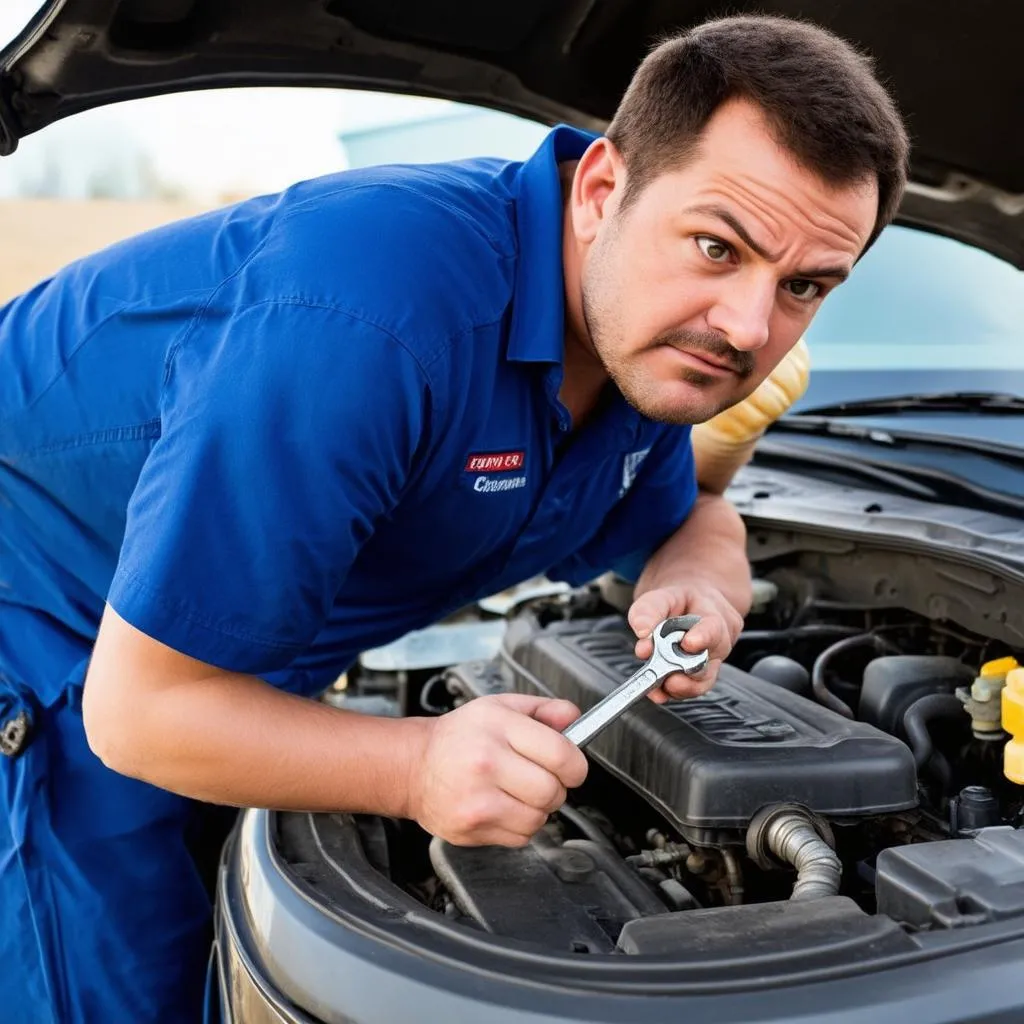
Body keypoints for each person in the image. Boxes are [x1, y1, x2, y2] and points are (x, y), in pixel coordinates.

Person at [0, 12, 908, 1021]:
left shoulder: (640, 348)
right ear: (602, 191)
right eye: (714, 246)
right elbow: (138, 714)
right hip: (48, 642)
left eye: (804, 286)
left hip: (217, 647)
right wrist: (417, 765)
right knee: (128, 989)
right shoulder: (361, 322)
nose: (749, 327)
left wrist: (693, 579)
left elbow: (692, 509)